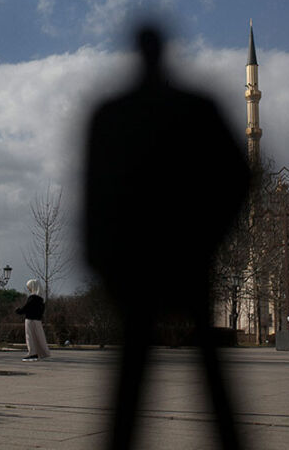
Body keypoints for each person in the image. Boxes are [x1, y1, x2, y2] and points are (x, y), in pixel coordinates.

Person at [84, 23, 249, 449]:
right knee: (211, 376)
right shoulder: (197, 107)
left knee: (131, 375)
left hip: (135, 260)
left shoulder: (112, 113)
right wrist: (211, 236)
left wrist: (102, 259)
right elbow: (240, 177)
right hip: (187, 254)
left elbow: (94, 196)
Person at [15, 279, 50, 361]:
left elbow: (26, 308)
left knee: (30, 337)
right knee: (39, 337)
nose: (29, 289)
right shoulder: (42, 299)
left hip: (30, 320)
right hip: (38, 320)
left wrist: (18, 311)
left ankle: (32, 353)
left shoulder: (32, 297)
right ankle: (42, 352)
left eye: (29, 287)